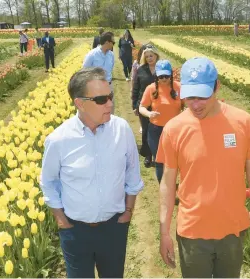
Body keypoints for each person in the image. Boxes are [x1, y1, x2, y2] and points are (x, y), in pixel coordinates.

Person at [157, 57, 250, 278]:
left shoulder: (242, 122)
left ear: (217, 86)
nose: (196, 105)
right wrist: (164, 231)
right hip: (192, 233)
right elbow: (167, 182)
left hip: (232, 231)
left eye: (203, 96)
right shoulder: (174, 129)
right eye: (190, 97)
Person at [40, 67, 144, 278]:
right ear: (80, 103)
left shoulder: (121, 129)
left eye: (111, 96)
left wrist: (128, 212)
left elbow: (133, 173)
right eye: (101, 99)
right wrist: (61, 220)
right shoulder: (59, 140)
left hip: (114, 228)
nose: (110, 104)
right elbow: (49, 182)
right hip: (76, 231)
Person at [139, 60, 181, 183]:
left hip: (175, 130)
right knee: (159, 161)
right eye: (161, 76)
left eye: (166, 76)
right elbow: (141, 107)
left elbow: (186, 104)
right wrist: (149, 114)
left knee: (175, 160)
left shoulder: (179, 87)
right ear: (156, 75)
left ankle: (172, 182)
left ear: (171, 75)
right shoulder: (151, 89)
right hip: (156, 130)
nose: (164, 79)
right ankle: (164, 186)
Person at [132, 44, 160, 168]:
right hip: (144, 104)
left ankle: (159, 155)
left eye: (151, 55)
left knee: (159, 130)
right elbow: (136, 88)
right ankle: (148, 155)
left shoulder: (162, 69)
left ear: (156, 55)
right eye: (147, 56)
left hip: (160, 104)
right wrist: (134, 105)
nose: (149, 58)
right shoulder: (141, 70)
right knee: (146, 130)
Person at [82, 32, 115, 111]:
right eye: (113, 42)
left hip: (108, 86)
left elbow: (111, 68)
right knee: (97, 111)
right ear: (107, 42)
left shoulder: (111, 55)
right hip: (96, 88)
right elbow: (84, 70)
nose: (114, 44)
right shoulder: (92, 54)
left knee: (109, 110)